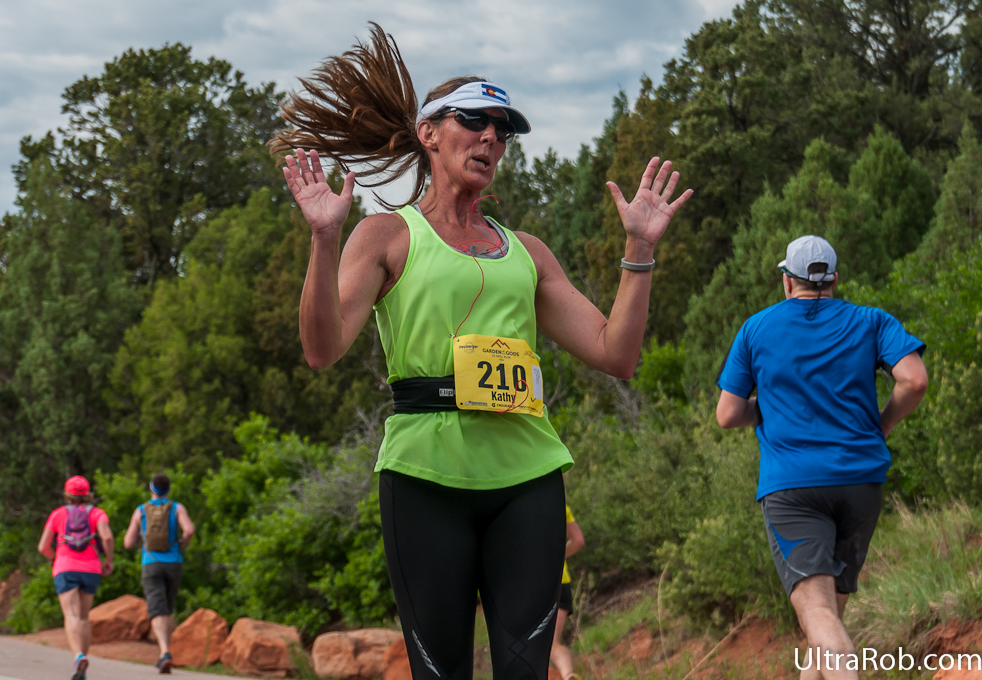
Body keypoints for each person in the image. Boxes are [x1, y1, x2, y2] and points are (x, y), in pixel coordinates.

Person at [271, 24, 692, 680]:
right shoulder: (385, 235)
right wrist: (325, 238)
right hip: (425, 477)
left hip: (528, 478)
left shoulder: (528, 252)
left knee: (525, 671)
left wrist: (639, 249)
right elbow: (322, 349)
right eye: (474, 120)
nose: (492, 137)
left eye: (504, 129)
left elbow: (617, 354)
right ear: (429, 133)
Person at [715, 236, 929, 680]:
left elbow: (728, 414)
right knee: (828, 619)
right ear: (834, 279)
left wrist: (766, 407)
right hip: (861, 483)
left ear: (787, 281)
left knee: (818, 616)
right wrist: (882, 425)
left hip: (793, 488)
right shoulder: (871, 321)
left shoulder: (755, 328)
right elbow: (914, 380)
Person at [37, 475, 114, 680]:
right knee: (83, 616)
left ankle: (78, 656)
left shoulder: (58, 514)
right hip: (91, 568)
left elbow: (43, 546)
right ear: (88, 494)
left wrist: (54, 558)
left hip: (65, 567)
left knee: (71, 615)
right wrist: (109, 560)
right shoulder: (97, 513)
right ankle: (82, 665)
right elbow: (107, 536)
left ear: (67, 494)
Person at [123, 473, 195, 674]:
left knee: (156, 608)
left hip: (151, 562)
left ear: (151, 488)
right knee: (168, 608)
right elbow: (189, 530)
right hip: (174, 562)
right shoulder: (176, 508)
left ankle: (164, 652)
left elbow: (128, 542)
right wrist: (181, 546)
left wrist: (142, 538)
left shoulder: (141, 510)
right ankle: (166, 651)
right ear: (168, 489)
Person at [550, 503, 584, 680]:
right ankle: (568, 675)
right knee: (552, 644)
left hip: (532, 585)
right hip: (561, 582)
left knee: (527, 644)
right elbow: (578, 540)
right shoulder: (559, 504)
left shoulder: (521, 503)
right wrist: (555, 555)